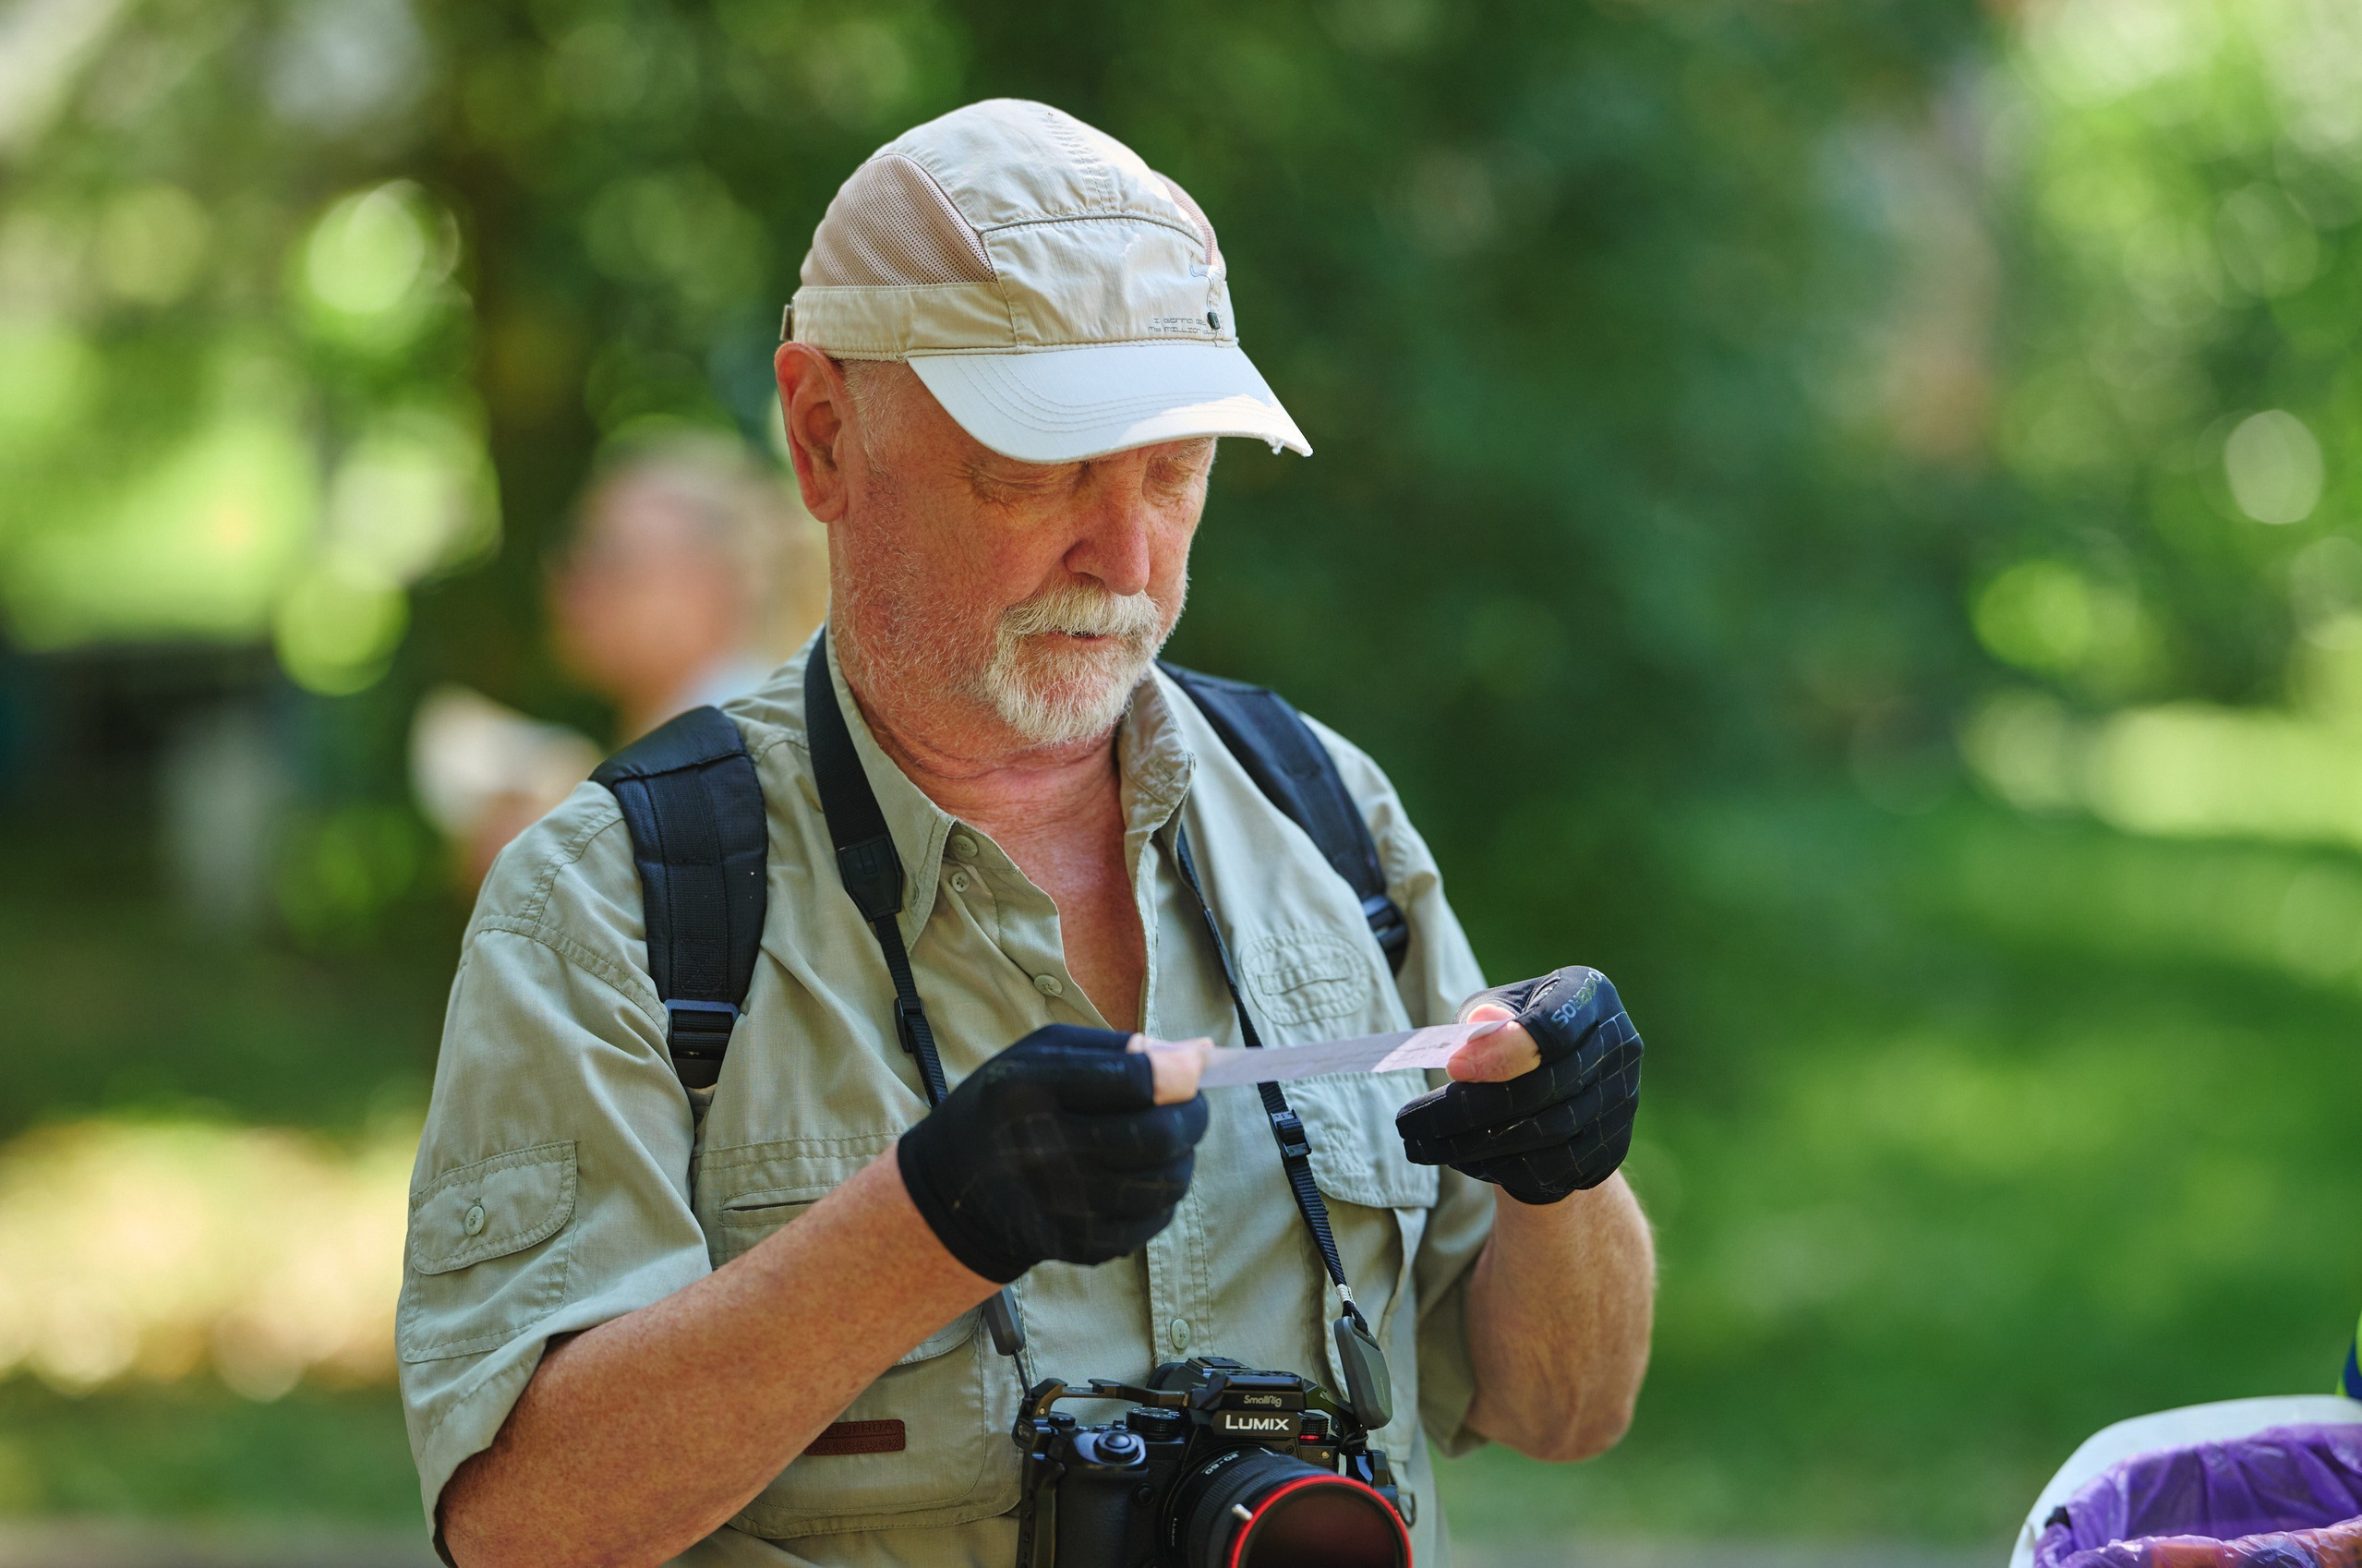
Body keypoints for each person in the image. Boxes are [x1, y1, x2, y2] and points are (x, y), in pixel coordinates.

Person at [397, 99, 1655, 1568]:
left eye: (1175, 470)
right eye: (1043, 468)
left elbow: (1563, 1405)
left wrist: (1566, 1171)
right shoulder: (616, 898)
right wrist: (924, 1222)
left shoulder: (1327, 815)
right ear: (823, 436)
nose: (1123, 557)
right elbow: (521, 1523)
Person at [411, 432, 825, 887]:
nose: (570, 577)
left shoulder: (738, 752)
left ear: (713, 585)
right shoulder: (733, 738)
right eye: (575, 550)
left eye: (612, 558)